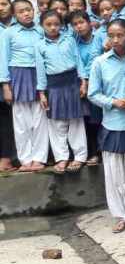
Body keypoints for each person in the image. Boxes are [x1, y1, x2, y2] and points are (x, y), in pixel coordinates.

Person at [89, 19, 125, 233]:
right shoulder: (100, 62)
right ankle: (120, 215)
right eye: (111, 35)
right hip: (111, 123)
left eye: (120, 35)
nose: (115, 39)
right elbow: (93, 94)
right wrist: (113, 102)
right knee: (114, 175)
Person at [35, 11, 88, 174]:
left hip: (72, 82)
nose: (52, 28)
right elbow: (40, 70)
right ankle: (62, 157)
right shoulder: (40, 45)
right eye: (48, 25)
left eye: (56, 24)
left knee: (76, 121)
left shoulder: (69, 40)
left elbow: (78, 61)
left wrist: (83, 81)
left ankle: (79, 156)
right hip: (54, 85)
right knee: (57, 123)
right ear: (41, 26)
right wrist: (42, 93)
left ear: (61, 25)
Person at [0, 0, 49, 172]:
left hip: (38, 75)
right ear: (14, 15)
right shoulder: (9, 33)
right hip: (18, 76)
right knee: (21, 121)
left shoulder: (41, 30)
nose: (26, 13)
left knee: (39, 119)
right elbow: (3, 60)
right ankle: (25, 159)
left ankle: (39, 158)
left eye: (29, 9)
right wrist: (6, 86)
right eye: (21, 11)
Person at [71, 10, 103, 166]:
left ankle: (100, 151)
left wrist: (90, 81)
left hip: (99, 84)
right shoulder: (74, 41)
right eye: (75, 24)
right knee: (87, 120)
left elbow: (99, 60)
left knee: (99, 119)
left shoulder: (99, 38)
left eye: (81, 22)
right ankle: (92, 152)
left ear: (89, 22)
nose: (79, 26)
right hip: (81, 84)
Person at [0, 0, 17, 171]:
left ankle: (10, 157)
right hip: (2, 79)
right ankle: (5, 158)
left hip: (21, 79)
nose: (1, 8)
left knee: (19, 119)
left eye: (4, 4)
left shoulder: (21, 25)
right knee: (4, 119)